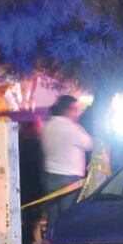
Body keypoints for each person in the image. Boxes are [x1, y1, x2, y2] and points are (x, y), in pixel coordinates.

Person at [41, 95, 94, 232]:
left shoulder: (48, 125)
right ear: (69, 109)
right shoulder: (71, 127)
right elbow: (89, 144)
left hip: (50, 177)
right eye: (76, 109)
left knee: (52, 217)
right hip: (69, 179)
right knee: (68, 217)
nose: (77, 113)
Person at [18, 118, 44, 244]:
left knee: (28, 225)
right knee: (28, 225)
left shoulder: (21, 145)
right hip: (31, 191)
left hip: (26, 190)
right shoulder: (32, 146)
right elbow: (34, 169)